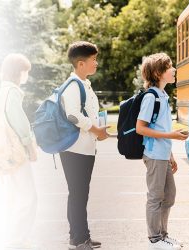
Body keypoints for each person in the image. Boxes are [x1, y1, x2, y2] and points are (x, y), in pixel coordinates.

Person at [135, 53, 188, 250]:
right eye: (170, 67)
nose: (174, 70)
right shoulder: (151, 97)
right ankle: (155, 239)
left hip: (163, 155)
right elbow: (141, 128)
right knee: (156, 197)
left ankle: (163, 235)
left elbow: (161, 128)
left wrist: (171, 154)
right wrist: (171, 137)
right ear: (158, 73)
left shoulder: (163, 95)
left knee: (169, 196)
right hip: (154, 155)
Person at [60, 41, 109, 250]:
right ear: (81, 63)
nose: (96, 63)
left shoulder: (84, 84)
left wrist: (99, 128)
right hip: (74, 149)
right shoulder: (73, 85)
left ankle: (82, 236)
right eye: (93, 60)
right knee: (78, 194)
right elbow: (72, 115)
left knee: (81, 194)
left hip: (84, 148)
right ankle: (78, 240)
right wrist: (96, 130)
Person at [0, 53, 38, 250]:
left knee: (13, 196)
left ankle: (12, 238)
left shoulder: (0, 94)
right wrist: (30, 146)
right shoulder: (13, 93)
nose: (26, 75)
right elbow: (20, 123)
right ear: (19, 73)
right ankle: (17, 240)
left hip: (1, 154)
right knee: (28, 196)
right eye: (25, 71)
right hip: (15, 153)